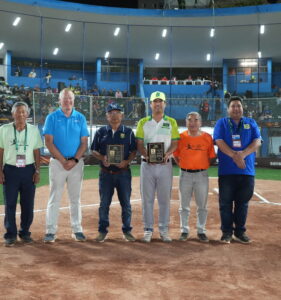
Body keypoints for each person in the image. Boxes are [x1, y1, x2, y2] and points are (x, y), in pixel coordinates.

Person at [213, 96, 262, 244]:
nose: (236, 108)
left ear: (242, 108)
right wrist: (235, 156)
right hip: (227, 172)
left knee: (243, 203)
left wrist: (243, 154)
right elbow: (219, 142)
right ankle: (227, 232)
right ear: (228, 109)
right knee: (225, 204)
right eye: (233, 106)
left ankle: (240, 232)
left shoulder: (251, 123)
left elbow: (257, 141)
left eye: (238, 106)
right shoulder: (221, 123)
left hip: (247, 172)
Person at [43, 88, 89, 243]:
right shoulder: (52, 117)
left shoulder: (80, 117)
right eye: (65, 98)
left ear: (73, 101)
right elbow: (48, 142)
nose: (67, 101)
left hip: (76, 163)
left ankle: (77, 229)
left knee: (75, 198)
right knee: (54, 197)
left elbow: (84, 143)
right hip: (57, 163)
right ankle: (50, 231)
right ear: (59, 100)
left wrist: (74, 160)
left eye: (70, 98)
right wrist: (63, 161)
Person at [136, 91, 180, 243]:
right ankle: (148, 229)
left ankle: (163, 229)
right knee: (147, 199)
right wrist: (146, 155)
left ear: (165, 104)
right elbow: (140, 144)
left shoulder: (172, 122)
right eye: (155, 101)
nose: (157, 104)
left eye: (160, 101)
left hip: (165, 165)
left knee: (164, 199)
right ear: (150, 104)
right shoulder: (143, 122)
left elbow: (175, 142)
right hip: (147, 165)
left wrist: (168, 154)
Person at [91, 103, 137, 242]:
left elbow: (134, 151)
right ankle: (102, 230)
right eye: (111, 113)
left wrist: (126, 161)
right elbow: (93, 150)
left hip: (123, 173)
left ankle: (127, 230)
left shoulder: (128, 132)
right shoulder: (100, 132)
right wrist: (102, 157)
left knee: (126, 204)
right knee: (104, 204)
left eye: (117, 112)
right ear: (107, 116)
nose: (114, 115)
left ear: (122, 115)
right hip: (106, 174)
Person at [0, 102, 43, 247]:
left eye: (24, 112)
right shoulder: (4, 129)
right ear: (12, 114)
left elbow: (37, 151)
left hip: (28, 170)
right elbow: (0, 151)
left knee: (28, 203)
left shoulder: (33, 130)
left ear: (27, 114)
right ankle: (10, 234)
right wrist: (0, 170)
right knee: (10, 203)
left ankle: (25, 232)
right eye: (18, 112)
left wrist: (37, 170)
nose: (21, 114)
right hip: (10, 170)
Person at [173, 112, 216, 243]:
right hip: (185, 174)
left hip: (201, 175)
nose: (192, 123)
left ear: (200, 122)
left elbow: (212, 156)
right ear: (186, 122)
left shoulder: (207, 137)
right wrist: (182, 166)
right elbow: (175, 154)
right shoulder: (181, 137)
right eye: (190, 120)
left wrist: (202, 167)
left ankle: (201, 230)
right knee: (184, 206)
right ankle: (184, 230)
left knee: (202, 206)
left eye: (195, 120)